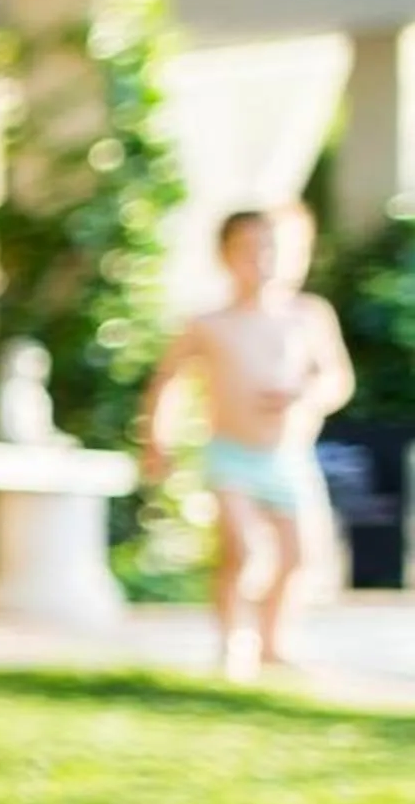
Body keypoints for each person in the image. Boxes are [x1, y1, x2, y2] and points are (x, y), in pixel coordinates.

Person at [139, 206, 356, 680]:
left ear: (298, 255)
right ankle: (233, 643)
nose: (263, 259)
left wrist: (306, 394)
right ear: (224, 256)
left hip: (289, 456)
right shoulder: (208, 323)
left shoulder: (309, 315)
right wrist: (158, 438)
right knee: (242, 549)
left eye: (275, 249)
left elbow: (336, 378)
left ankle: (274, 643)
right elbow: (168, 381)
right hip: (230, 454)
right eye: (249, 249)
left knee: (298, 556)